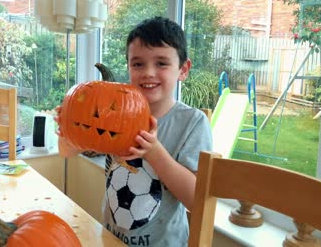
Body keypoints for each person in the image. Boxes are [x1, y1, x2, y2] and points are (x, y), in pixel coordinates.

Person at [55, 16, 213, 246]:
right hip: (111, 239)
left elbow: (196, 199)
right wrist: (70, 127)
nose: (148, 72)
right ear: (128, 66)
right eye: (138, 64)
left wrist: (154, 152)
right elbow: (65, 151)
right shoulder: (114, 113)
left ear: (183, 69)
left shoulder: (192, 123)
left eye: (161, 63)